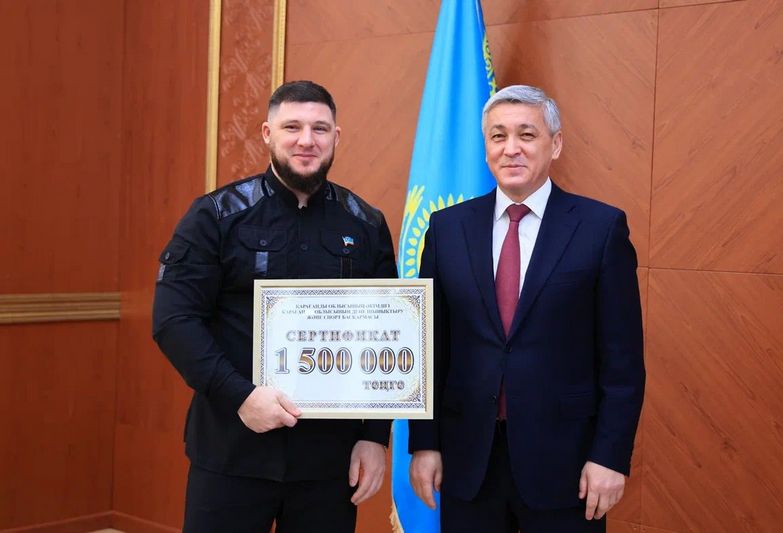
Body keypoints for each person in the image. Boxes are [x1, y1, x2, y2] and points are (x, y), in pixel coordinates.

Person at [152, 80, 397, 533]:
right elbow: (174, 320)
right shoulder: (215, 216)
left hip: (328, 464)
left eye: (319, 129)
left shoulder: (365, 224)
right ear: (268, 134)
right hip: (232, 449)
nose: (307, 140)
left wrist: (373, 436)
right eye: (292, 127)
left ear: (336, 137)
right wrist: (241, 396)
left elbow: (387, 335)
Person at [408, 85, 645, 532]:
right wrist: (425, 443)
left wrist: (610, 456)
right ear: (485, 147)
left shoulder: (600, 229)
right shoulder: (447, 228)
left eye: (527, 135)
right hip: (467, 462)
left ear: (555, 144)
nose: (511, 148)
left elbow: (623, 362)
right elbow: (431, 348)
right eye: (498, 136)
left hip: (567, 466)